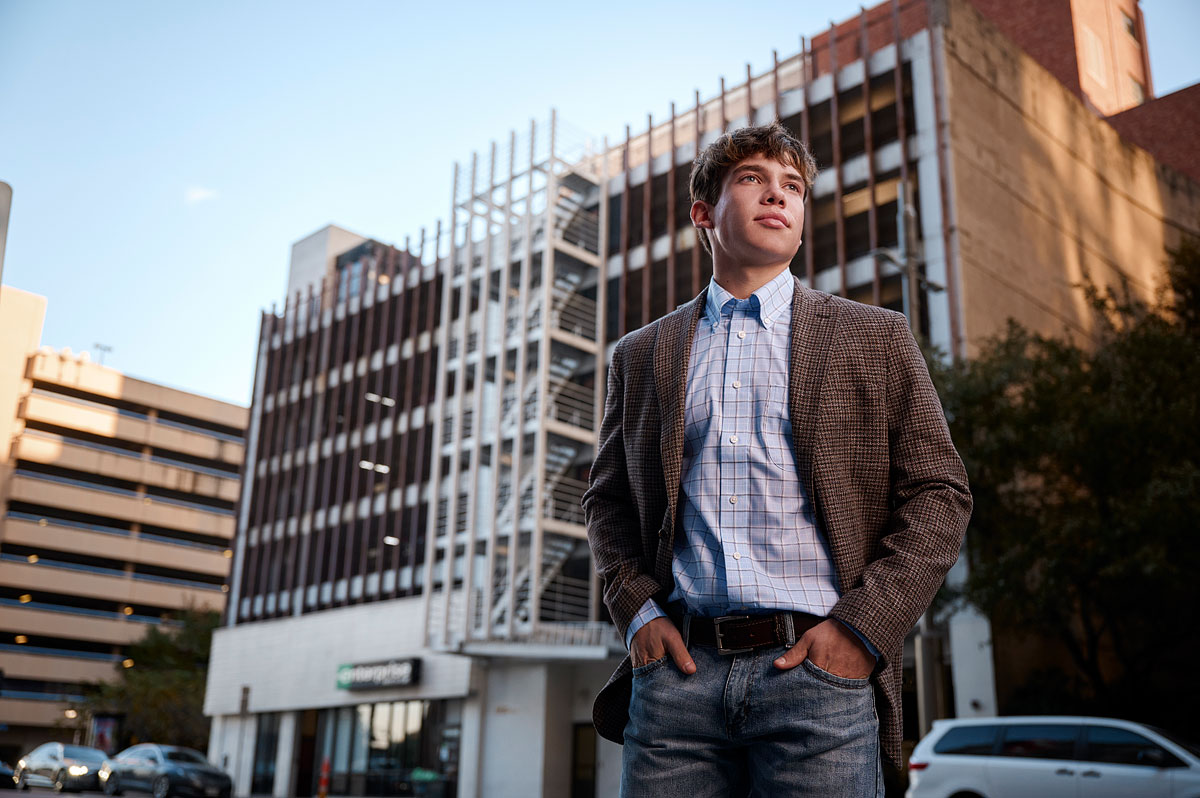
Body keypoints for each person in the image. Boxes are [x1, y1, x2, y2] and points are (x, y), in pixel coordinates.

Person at [582, 121, 972, 797]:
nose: (777, 195)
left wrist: (861, 631)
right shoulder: (641, 354)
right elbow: (608, 501)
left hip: (819, 679)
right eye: (753, 179)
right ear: (704, 213)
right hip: (679, 681)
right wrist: (637, 613)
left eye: (791, 185)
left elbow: (940, 493)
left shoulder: (874, 336)